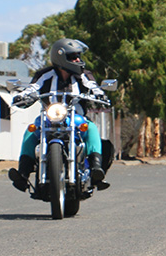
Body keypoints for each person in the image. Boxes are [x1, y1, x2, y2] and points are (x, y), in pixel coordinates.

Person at [8, 38, 111, 192]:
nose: (77, 60)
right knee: (31, 130)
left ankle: (96, 170)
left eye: (78, 56)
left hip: (76, 117)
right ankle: (23, 174)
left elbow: (94, 87)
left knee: (91, 129)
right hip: (49, 117)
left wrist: (100, 95)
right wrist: (22, 96)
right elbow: (32, 88)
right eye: (73, 57)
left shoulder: (83, 75)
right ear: (61, 57)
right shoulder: (45, 75)